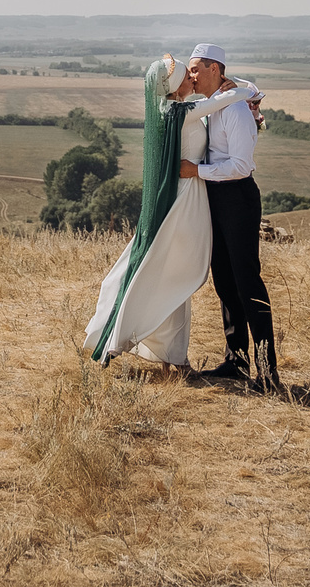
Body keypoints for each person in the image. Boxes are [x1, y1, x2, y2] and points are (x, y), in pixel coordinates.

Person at [82, 53, 262, 374]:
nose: (192, 79)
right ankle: (163, 351)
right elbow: (236, 97)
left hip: (189, 197)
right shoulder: (182, 111)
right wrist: (241, 87)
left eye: (193, 73)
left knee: (174, 275)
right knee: (177, 275)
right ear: (172, 85)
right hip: (185, 201)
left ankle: (172, 357)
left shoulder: (172, 110)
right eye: (185, 75)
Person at [186, 42, 278, 390]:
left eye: (196, 69)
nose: (191, 76)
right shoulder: (212, 104)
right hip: (214, 198)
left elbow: (241, 166)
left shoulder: (236, 109)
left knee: (247, 281)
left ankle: (268, 372)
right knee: (224, 280)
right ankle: (236, 362)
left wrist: (196, 172)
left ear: (215, 69)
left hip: (237, 199)